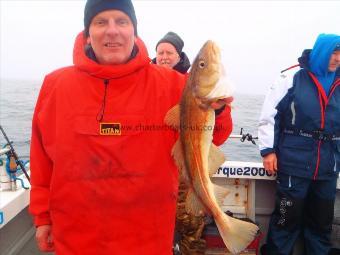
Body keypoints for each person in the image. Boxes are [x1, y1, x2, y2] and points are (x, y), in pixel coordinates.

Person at [29, 0, 231, 254]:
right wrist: (42, 217)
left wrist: (219, 109)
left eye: (122, 21)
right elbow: (41, 159)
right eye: (101, 22)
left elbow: (218, 136)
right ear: (87, 34)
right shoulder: (55, 85)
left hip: (149, 239)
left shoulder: (173, 85)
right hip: (76, 238)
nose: (112, 30)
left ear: (133, 32)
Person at [258, 33, 340, 255]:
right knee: (286, 221)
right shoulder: (291, 77)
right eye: (334, 52)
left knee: (322, 224)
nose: (338, 58)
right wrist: (268, 151)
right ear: (322, 51)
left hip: (329, 166)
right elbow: (269, 117)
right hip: (294, 164)